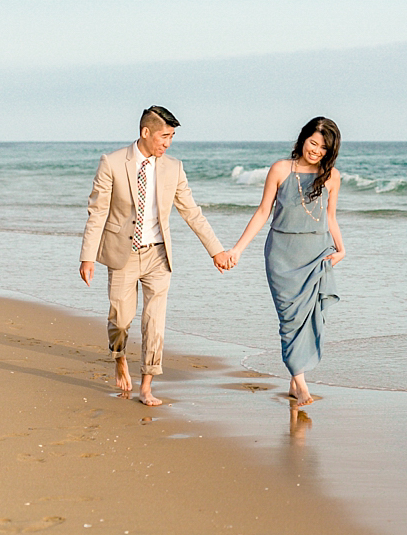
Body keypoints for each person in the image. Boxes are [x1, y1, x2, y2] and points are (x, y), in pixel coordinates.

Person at [79, 106, 235, 406]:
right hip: (123, 253)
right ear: (145, 132)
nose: (168, 143)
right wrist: (87, 256)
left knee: (154, 321)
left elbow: (191, 211)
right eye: (164, 136)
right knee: (120, 320)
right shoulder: (112, 163)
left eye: (172, 137)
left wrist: (216, 250)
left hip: (158, 256)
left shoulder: (173, 168)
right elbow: (97, 211)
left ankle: (147, 384)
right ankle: (119, 357)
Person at [227, 117, 345, 406]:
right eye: (313, 143)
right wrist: (238, 249)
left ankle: (296, 382)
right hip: (281, 254)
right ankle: (301, 383)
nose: (316, 150)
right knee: (290, 319)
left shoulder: (332, 176)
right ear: (303, 139)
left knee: (311, 318)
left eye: (323, 147)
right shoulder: (281, 169)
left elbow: (330, 217)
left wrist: (342, 249)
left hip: (316, 252)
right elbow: (263, 211)